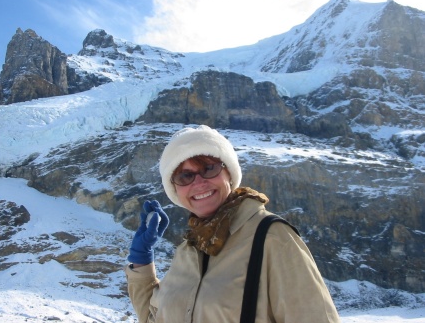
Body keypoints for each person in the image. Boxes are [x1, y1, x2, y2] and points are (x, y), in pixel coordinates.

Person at [125, 125, 340, 323]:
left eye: (209, 168)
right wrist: (141, 261)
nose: (199, 183)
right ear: (175, 189)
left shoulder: (271, 238)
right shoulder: (189, 249)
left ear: (229, 173)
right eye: (185, 176)